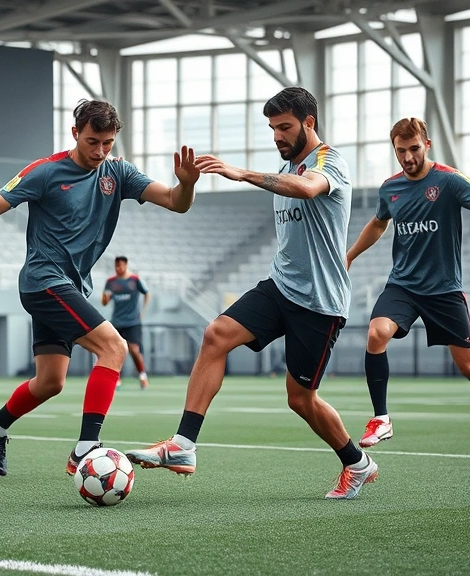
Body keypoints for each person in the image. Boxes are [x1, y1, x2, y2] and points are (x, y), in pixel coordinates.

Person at [0, 99, 199, 477]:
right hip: (44, 281)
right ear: (75, 133)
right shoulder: (46, 171)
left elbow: (175, 203)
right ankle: (86, 448)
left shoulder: (119, 173)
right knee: (114, 348)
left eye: (108, 143)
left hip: (72, 287)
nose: (100, 151)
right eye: (92, 142)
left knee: (50, 382)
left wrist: (187, 184)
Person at [126, 87, 378, 500]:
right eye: (272, 128)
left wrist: (242, 174)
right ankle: (183, 444)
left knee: (301, 400)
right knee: (215, 335)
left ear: (309, 122)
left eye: (285, 127)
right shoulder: (286, 165)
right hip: (280, 286)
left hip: (320, 302)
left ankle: (357, 463)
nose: (277, 136)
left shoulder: (329, 161)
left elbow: (308, 188)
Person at [345, 117, 470, 461]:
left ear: (427, 145)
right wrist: (349, 256)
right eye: (400, 151)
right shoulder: (390, 188)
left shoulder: (449, 180)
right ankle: (381, 418)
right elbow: (378, 223)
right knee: (376, 333)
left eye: (414, 148)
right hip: (403, 285)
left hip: (444, 291)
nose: (407, 157)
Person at [101, 256, 150, 389]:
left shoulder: (135, 280)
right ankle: (117, 378)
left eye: (120, 266)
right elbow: (104, 302)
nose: (118, 268)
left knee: (134, 349)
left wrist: (143, 312)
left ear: (126, 265)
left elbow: (146, 293)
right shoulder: (110, 282)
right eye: (116, 266)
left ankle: (142, 376)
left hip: (133, 322)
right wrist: (105, 299)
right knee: (117, 350)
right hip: (117, 321)